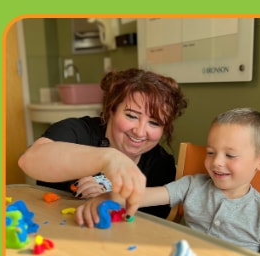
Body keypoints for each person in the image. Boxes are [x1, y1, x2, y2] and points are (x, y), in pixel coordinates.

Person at [75, 108, 260, 253]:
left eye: (230, 155)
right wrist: (107, 194)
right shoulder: (192, 185)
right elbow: (142, 196)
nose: (216, 162)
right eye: (210, 152)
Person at [17, 68, 188, 219]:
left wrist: (108, 200)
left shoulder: (161, 166)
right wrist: (108, 158)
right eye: (131, 116)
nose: (140, 131)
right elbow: (28, 160)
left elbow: (146, 227)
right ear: (111, 110)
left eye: (155, 123)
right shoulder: (77, 130)